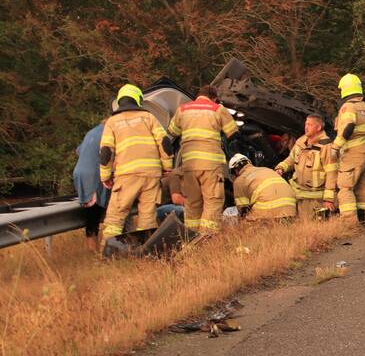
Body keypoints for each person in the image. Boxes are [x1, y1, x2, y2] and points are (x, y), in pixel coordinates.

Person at [98, 84, 173, 252]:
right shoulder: (149, 117)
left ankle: (109, 253)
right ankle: (148, 252)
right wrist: (167, 166)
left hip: (126, 176)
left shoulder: (112, 122)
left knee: (115, 217)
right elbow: (165, 143)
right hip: (151, 175)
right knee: (148, 216)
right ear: (138, 100)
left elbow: (105, 153)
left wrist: (105, 176)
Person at [167, 85, 240, 235]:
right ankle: (206, 239)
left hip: (188, 165)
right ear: (214, 98)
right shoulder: (217, 109)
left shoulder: (182, 109)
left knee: (192, 204)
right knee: (212, 201)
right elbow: (233, 134)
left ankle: (191, 238)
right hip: (210, 165)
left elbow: (172, 132)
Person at [275, 114, 338, 223]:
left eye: (310, 124)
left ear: (318, 128)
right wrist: (281, 168)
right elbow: (291, 159)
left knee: (314, 225)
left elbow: (332, 174)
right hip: (298, 193)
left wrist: (329, 199)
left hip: (316, 197)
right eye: (306, 124)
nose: (306, 127)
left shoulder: (327, 146)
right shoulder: (301, 141)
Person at [333, 74, 365, 226]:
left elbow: (349, 126)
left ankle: (349, 220)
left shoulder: (348, 106)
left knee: (345, 185)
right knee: (363, 183)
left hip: (353, 150)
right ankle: (362, 216)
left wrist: (336, 146)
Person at [73, 123, 111, 251]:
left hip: (80, 172)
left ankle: (92, 249)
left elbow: (78, 151)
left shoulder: (92, 132)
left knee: (91, 212)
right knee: (97, 211)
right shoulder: (111, 131)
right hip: (94, 174)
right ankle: (99, 249)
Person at [229, 154, 297, 221]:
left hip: (269, 210)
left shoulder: (239, 180)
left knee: (248, 225)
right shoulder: (265, 169)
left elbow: (243, 209)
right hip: (290, 208)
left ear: (236, 170)